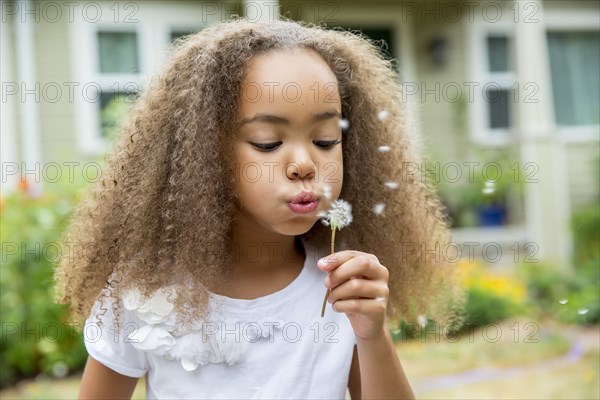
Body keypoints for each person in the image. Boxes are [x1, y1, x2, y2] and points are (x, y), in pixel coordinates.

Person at [55, 18, 464, 400]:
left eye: (325, 140)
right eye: (268, 143)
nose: (305, 164)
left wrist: (372, 335)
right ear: (205, 155)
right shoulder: (144, 289)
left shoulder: (340, 287)